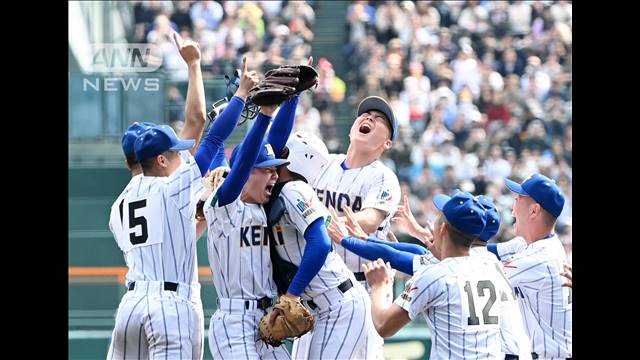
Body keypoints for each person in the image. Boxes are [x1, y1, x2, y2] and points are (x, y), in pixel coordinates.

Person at [330, 193, 532, 359]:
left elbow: (384, 325)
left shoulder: (435, 274)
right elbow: (420, 253)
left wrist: (379, 287)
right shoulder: (490, 264)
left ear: (443, 228)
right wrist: (366, 240)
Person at [107, 32, 208, 359]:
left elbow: (160, 241)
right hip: (169, 303)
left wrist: (194, 227)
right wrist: (194, 64)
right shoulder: (169, 185)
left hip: (131, 303)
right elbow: (197, 122)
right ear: (157, 157)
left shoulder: (117, 206)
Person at [201, 79, 296, 358]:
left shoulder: (261, 204)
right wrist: (264, 116)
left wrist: (293, 98)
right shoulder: (224, 203)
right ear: (246, 174)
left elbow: (274, 144)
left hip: (268, 317)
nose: (275, 175)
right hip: (234, 321)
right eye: (267, 170)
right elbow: (238, 164)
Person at [263, 131, 372, 359]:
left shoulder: (294, 189)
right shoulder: (285, 191)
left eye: (283, 152)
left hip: (339, 303)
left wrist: (291, 295)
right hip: (324, 306)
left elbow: (321, 243)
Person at [315, 95, 401, 358]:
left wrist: (315, 223)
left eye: (379, 119)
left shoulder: (383, 177)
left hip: (362, 286)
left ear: (387, 142)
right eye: (365, 115)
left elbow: (369, 219)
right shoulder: (325, 163)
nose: (369, 118)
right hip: (318, 287)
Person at [486, 173, 572, 359]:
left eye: (518, 199)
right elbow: (482, 251)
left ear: (534, 211)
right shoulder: (536, 244)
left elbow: (471, 266)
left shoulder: (541, 258)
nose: (513, 207)